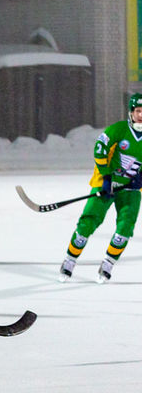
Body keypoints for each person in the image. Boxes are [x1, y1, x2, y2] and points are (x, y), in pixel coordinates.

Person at [58, 91, 142, 283]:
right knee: (88, 221)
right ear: (131, 112)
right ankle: (69, 260)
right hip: (108, 184)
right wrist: (106, 177)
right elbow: (100, 149)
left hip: (131, 190)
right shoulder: (119, 129)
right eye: (138, 111)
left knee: (125, 227)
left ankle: (108, 264)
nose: (141, 115)